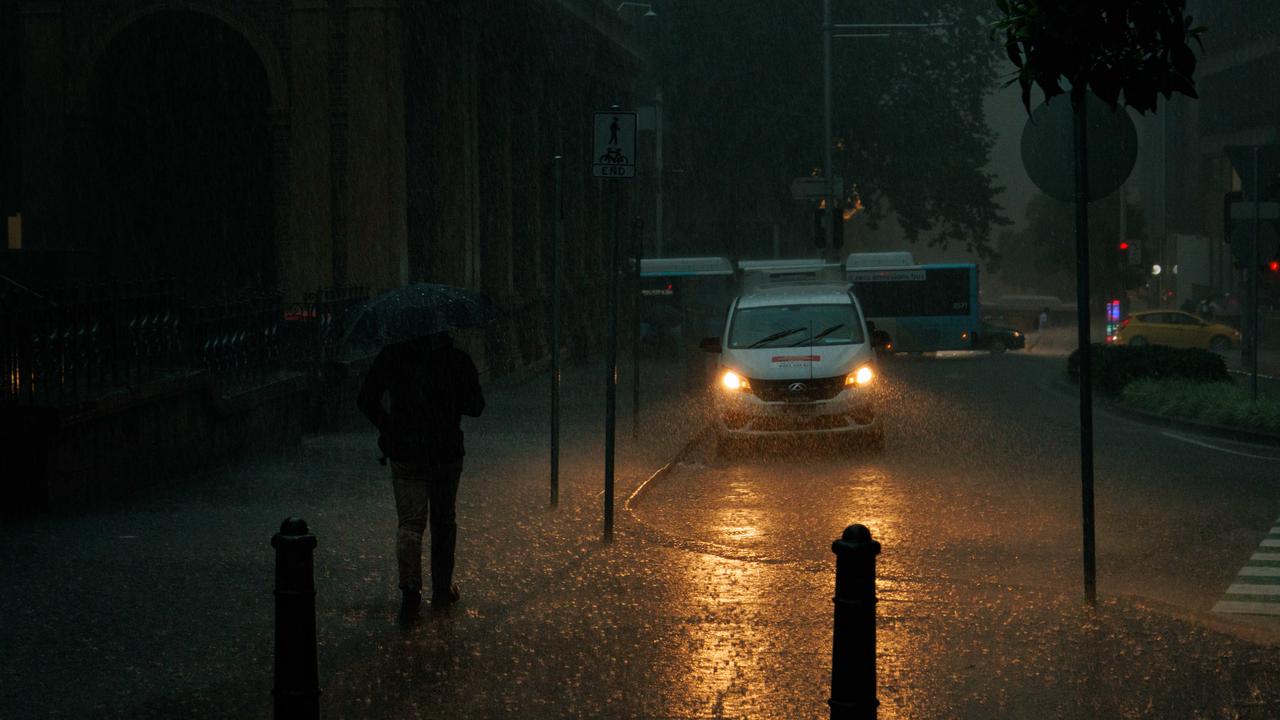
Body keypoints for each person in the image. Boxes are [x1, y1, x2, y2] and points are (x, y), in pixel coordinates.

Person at [357, 330, 485, 618]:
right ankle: (441, 589)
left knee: (410, 524)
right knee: (443, 521)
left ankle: (410, 590)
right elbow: (476, 406)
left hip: (406, 451)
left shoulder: (392, 356)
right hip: (445, 452)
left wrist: (389, 427)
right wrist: (451, 398)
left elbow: (366, 399)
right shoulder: (456, 359)